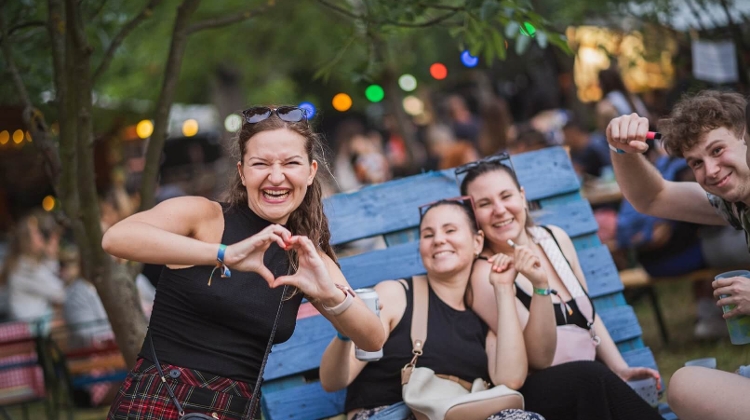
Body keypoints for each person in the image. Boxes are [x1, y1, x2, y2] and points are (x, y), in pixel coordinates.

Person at [102, 106, 385, 420]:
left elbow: (372, 338)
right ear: (242, 171)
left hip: (236, 410)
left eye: (291, 163)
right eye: (260, 163)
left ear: (310, 171)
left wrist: (331, 296)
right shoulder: (205, 218)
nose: (275, 177)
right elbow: (116, 238)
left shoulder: (304, 255)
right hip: (158, 402)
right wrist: (224, 253)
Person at [459, 156, 663, 420]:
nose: (499, 209)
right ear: (473, 216)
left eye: (506, 196)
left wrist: (620, 368)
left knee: (594, 378)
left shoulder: (553, 238)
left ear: (522, 197)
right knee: (590, 376)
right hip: (537, 392)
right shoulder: (487, 274)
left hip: (588, 383)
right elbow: (538, 357)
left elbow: (587, 313)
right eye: (484, 204)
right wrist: (540, 287)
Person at [319, 198, 541, 420]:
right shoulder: (395, 295)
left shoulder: (483, 318)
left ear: (477, 242)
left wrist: (503, 289)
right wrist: (345, 333)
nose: (439, 240)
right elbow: (334, 381)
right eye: (428, 235)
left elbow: (511, 380)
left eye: (450, 230)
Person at [0, 210, 65, 322]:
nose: (41, 237)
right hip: (29, 326)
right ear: (26, 240)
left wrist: (50, 256)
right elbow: (60, 293)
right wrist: (51, 256)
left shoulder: (28, 263)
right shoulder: (24, 268)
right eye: (36, 233)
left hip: (35, 321)